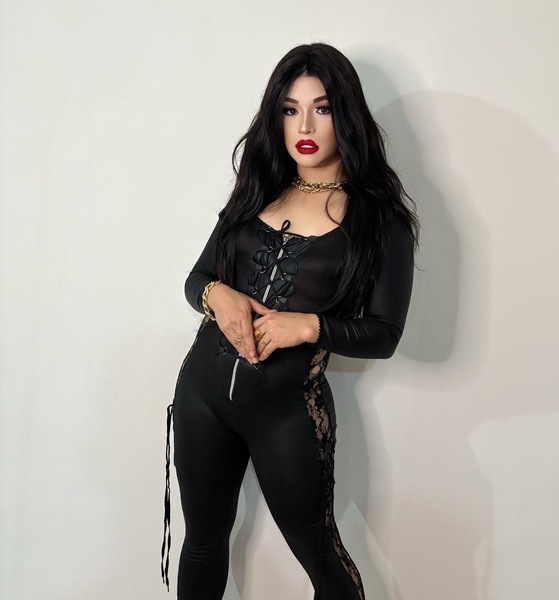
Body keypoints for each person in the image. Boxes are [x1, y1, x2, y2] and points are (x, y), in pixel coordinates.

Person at [161, 42, 419, 600]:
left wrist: (308, 327)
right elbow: (197, 278)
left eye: (321, 108)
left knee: (322, 558)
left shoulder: (379, 219)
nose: (304, 126)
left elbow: (385, 334)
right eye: (289, 109)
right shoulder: (258, 188)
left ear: (346, 114)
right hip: (202, 395)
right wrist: (217, 294)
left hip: (287, 412)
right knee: (202, 542)